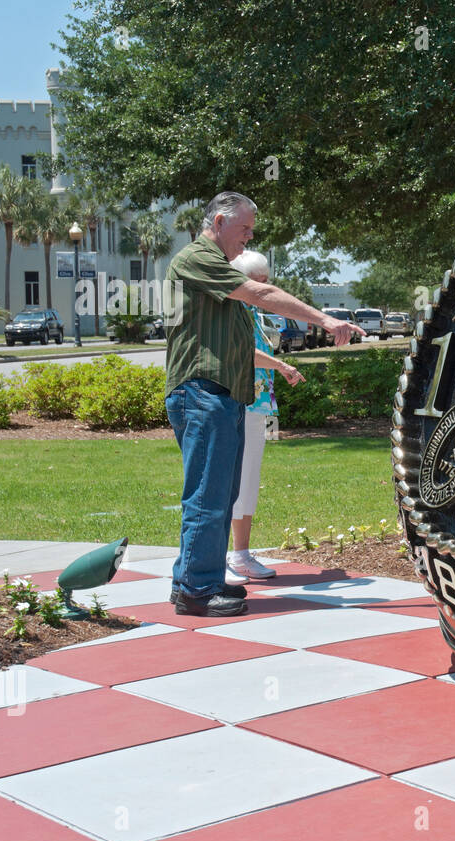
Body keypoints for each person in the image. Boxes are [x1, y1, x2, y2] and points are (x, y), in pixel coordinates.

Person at [163, 191, 352, 616]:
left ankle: (194, 580)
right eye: (244, 228)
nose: (249, 237)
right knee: (208, 495)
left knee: (220, 494)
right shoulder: (197, 258)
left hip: (221, 395)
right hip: (201, 392)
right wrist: (322, 319)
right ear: (218, 222)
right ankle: (196, 591)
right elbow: (259, 293)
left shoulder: (214, 271)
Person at [225, 249, 303, 581]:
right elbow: (244, 352)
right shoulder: (231, 310)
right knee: (234, 481)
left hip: (256, 406)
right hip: (238, 404)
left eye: (266, 282)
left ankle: (241, 554)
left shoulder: (252, 313)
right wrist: (281, 365)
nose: (264, 290)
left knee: (249, 480)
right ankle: (229, 555)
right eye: (258, 283)